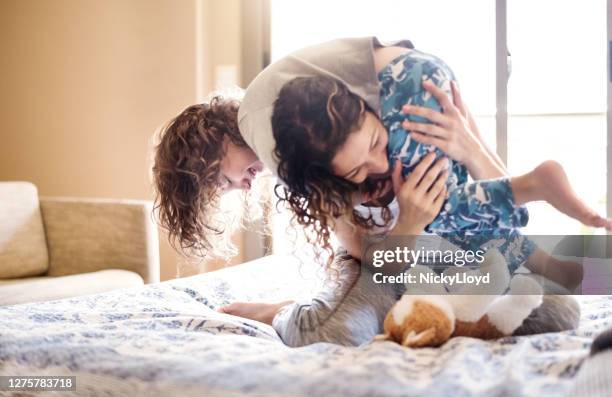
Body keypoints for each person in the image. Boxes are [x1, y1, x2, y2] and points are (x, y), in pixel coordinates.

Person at [153, 37, 582, 347]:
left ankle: (421, 310)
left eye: (223, 179)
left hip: (431, 253)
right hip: (383, 258)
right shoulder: (305, 166)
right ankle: (284, 310)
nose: (242, 186)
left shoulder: (348, 110)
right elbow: (367, 256)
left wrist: (467, 145)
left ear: (215, 139)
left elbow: (500, 196)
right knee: (323, 332)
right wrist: (411, 224)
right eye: (231, 188)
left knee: (559, 312)